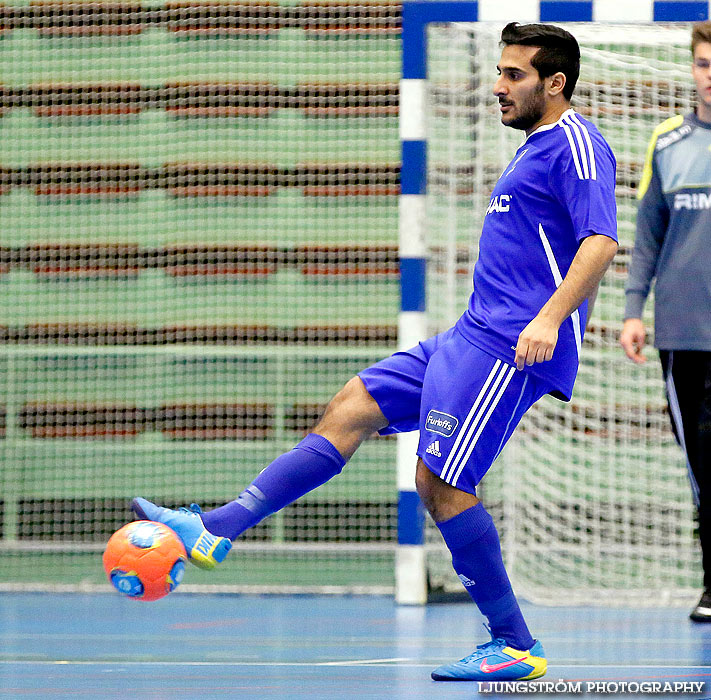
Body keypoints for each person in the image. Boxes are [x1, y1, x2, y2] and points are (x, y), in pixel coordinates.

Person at [133, 22, 618, 681]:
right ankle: (215, 527)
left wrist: (549, 319)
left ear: (554, 83)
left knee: (440, 482)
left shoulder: (575, 145)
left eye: (513, 75)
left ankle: (513, 644)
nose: (495, 87)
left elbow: (600, 242)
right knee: (351, 406)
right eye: (498, 72)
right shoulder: (532, 146)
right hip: (469, 334)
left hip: (512, 346)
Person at [620, 21, 711, 624]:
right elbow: (648, 236)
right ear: (693, 68)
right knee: (701, 459)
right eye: (705, 64)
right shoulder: (668, 143)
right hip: (683, 334)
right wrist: (632, 310)